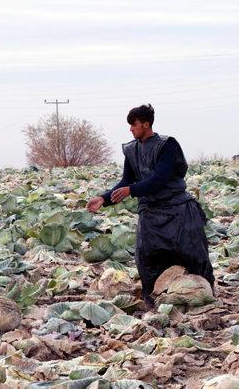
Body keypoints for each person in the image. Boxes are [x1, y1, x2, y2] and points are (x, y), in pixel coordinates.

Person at [87, 104, 215, 307]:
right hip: (151, 212)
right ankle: (154, 299)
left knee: (192, 254)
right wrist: (104, 198)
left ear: (146, 124)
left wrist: (132, 190)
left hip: (178, 209)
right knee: (148, 257)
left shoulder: (167, 145)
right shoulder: (131, 150)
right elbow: (126, 181)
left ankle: (203, 296)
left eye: (134, 125)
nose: (131, 129)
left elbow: (160, 178)